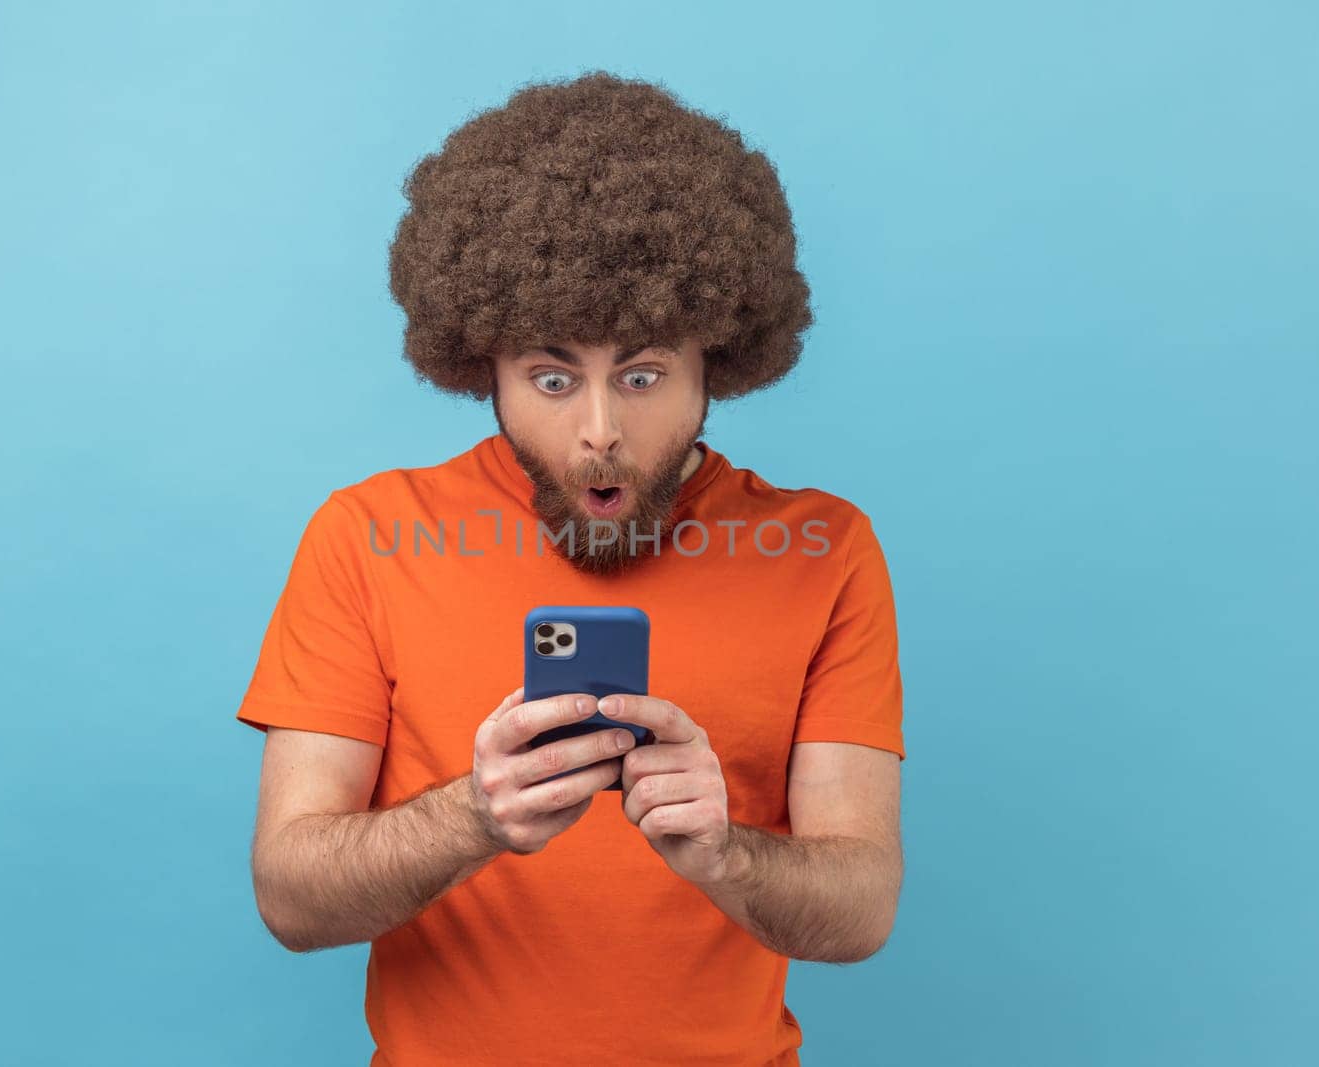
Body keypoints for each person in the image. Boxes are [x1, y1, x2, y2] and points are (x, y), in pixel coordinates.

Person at [235, 70, 906, 1066]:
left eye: (641, 375)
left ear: (714, 360)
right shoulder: (369, 534)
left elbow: (858, 911)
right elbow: (291, 897)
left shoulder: (822, 550)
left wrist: (724, 854)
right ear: (482, 368)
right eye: (552, 378)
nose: (599, 431)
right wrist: (474, 814)